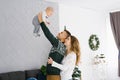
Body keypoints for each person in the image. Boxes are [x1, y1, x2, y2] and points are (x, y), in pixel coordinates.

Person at [37, 12, 71, 80]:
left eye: (61, 33)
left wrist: (41, 22)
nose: (59, 33)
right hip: (52, 74)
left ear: (64, 39)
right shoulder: (62, 46)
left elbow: (48, 34)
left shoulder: (58, 44)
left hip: (53, 76)